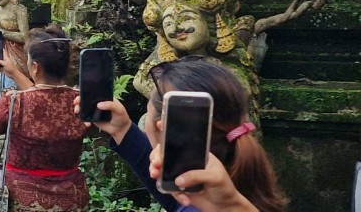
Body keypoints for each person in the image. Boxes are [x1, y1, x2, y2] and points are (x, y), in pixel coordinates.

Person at [79, 57, 287, 212]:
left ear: (163, 126)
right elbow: (178, 200)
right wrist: (122, 129)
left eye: (147, 110)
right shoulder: (230, 186)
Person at [0, 25, 89, 212]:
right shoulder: (81, 101)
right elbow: (45, 95)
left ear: (35, 67)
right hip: (72, 199)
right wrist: (13, 72)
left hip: (24, 200)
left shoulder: (16, 101)